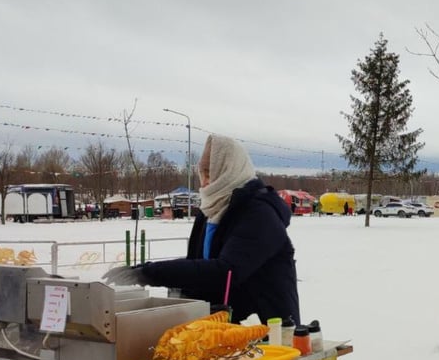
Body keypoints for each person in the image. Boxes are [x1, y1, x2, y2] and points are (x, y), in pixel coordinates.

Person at [104, 134, 300, 325]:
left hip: (269, 331)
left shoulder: (259, 214)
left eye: (211, 174)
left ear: (231, 170)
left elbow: (226, 272)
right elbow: (197, 264)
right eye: (202, 173)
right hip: (223, 328)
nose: (204, 182)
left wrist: (149, 274)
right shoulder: (210, 211)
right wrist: (141, 270)